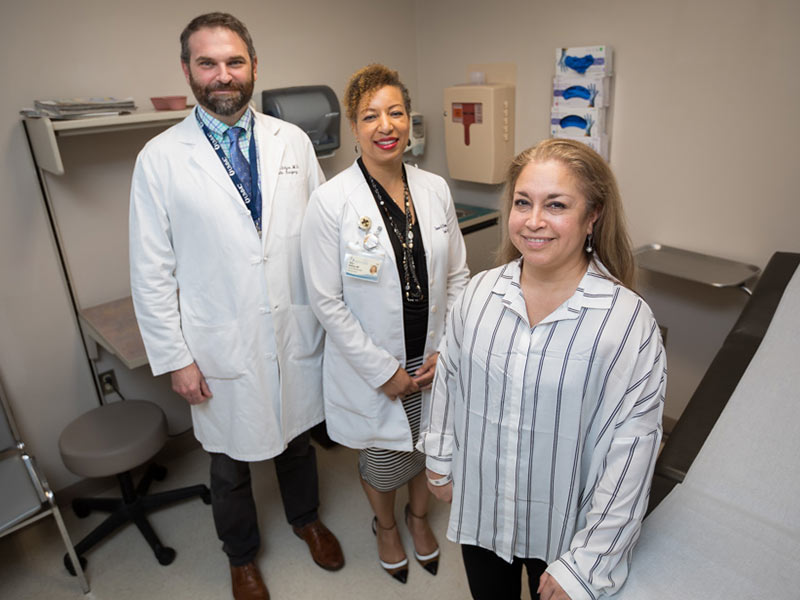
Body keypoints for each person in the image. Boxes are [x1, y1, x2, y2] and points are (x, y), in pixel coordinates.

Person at [129, 12, 343, 600]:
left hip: (292, 331)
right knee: (227, 463)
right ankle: (241, 557)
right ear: (187, 71)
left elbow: (323, 238)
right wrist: (176, 358)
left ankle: (306, 520)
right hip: (217, 342)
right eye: (208, 63)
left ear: (253, 68)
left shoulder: (292, 141)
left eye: (234, 62)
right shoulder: (160, 158)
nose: (223, 75)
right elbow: (151, 273)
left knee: (299, 440)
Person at [418, 138, 667, 600]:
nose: (533, 221)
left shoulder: (625, 323)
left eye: (556, 205)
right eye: (522, 203)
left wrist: (586, 564)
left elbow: (631, 454)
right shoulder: (479, 294)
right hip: (484, 510)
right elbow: (449, 379)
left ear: (593, 216)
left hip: (567, 529)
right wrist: (439, 457)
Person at [301, 64, 469, 584]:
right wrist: (381, 371)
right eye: (370, 115)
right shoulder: (331, 202)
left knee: (428, 446)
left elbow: (459, 275)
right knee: (384, 460)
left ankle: (419, 519)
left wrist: (452, 349)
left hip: (435, 359)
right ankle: (386, 525)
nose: (385, 124)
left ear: (408, 119)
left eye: (395, 112)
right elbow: (326, 301)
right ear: (354, 126)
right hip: (377, 366)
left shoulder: (434, 188)